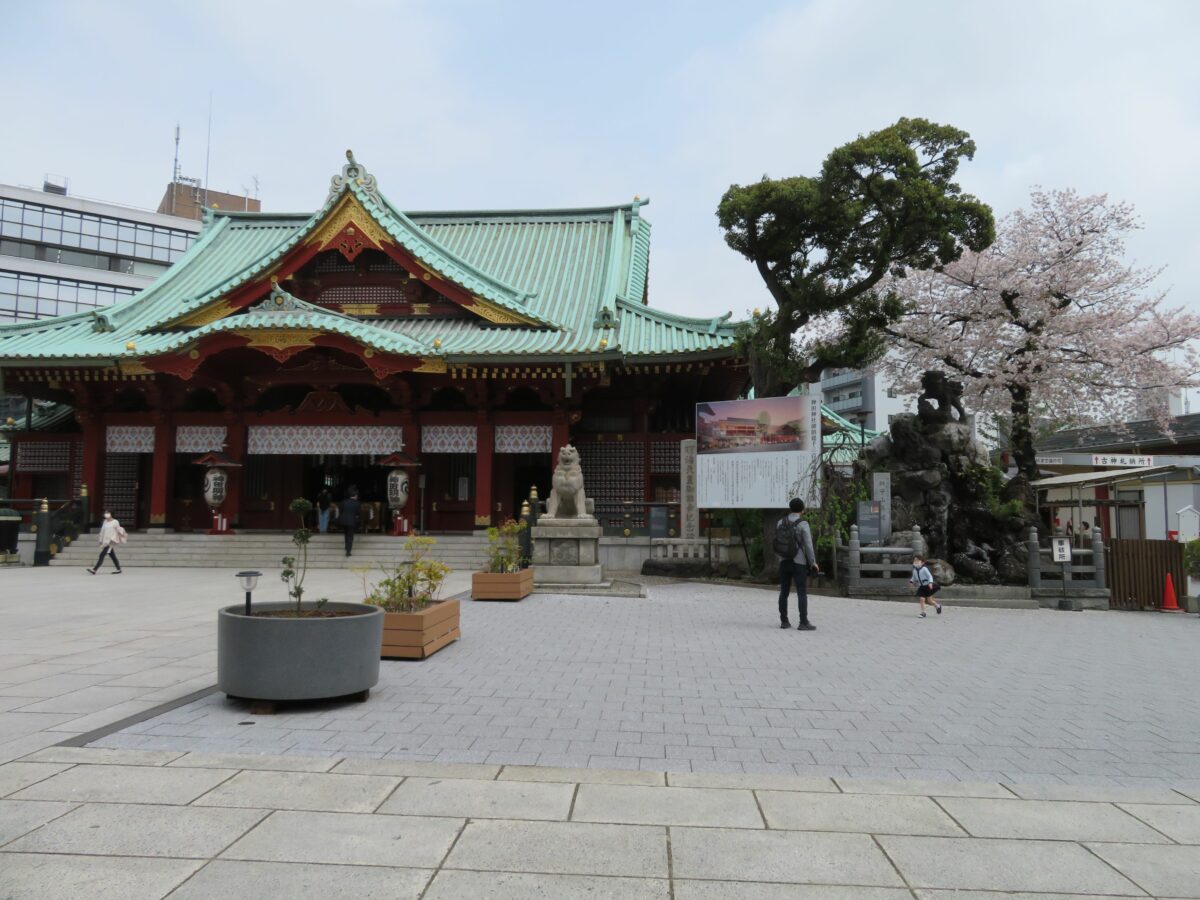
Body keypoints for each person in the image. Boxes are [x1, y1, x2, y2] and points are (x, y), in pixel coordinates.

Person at [776, 497, 819, 631]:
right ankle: (803, 622)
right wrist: (813, 562)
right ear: (802, 509)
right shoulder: (803, 524)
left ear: (790, 508)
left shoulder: (780, 522)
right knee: (801, 592)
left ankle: (784, 621)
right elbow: (808, 545)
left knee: (784, 592)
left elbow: (778, 542)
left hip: (784, 561)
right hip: (799, 561)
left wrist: (780, 558)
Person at [87, 510, 125, 575]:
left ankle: (94, 570)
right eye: (105, 513)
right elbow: (102, 531)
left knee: (102, 555)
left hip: (111, 541)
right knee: (112, 556)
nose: (106, 514)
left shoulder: (115, 522)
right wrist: (100, 540)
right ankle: (118, 569)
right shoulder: (105, 521)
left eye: (107, 513)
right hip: (105, 541)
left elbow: (118, 530)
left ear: (111, 514)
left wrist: (119, 536)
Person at [339, 489, 362, 557]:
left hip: (344, 521)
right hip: (352, 521)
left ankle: (346, 546)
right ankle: (348, 551)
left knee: (346, 534)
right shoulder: (357, 503)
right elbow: (358, 513)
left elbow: (341, 511)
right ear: (355, 496)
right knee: (350, 536)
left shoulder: (344, 502)